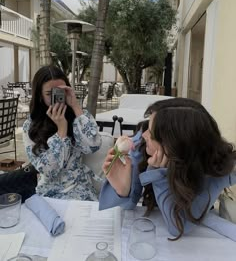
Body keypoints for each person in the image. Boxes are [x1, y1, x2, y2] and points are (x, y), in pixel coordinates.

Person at [99, 98, 236, 240]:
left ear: (174, 145)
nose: (144, 135)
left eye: (151, 133)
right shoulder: (140, 146)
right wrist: (123, 191)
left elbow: (178, 226)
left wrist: (158, 176)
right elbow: (126, 210)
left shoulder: (215, 168)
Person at [23, 65, 101, 200]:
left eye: (61, 91)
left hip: (79, 187)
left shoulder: (80, 116)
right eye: (50, 94)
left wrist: (76, 106)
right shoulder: (30, 126)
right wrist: (61, 131)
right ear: (40, 95)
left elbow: (92, 146)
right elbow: (49, 171)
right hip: (49, 191)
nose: (57, 97)